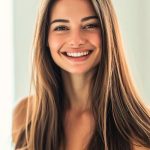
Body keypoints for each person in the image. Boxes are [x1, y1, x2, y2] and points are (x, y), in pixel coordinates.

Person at [12, 0, 150, 149]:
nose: (76, 41)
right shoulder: (25, 115)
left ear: (107, 33)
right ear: (45, 38)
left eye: (90, 25)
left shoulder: (142, 130)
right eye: (61, 27)